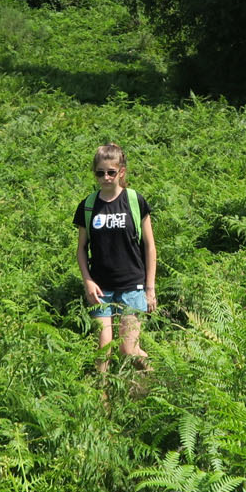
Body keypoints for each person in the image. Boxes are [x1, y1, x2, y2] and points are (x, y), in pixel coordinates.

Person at [75, 143, 156, 371]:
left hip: (132, 285)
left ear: (121, 171)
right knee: (103, 349)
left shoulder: (135, 201)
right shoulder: (88, 206)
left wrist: (150, 288)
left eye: (111, 172)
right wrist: (87, 281)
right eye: (100, 173)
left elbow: (150, 246)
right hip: (101, 288)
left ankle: (153, 375)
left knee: (128, 350)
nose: (106, 177)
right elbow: (81, 248)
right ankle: (102, 399)